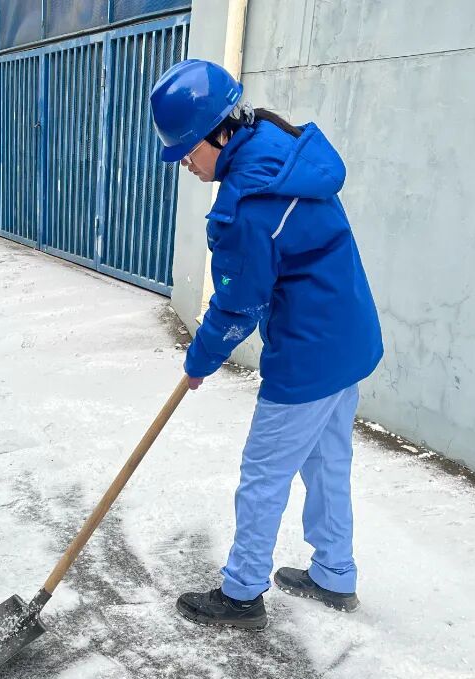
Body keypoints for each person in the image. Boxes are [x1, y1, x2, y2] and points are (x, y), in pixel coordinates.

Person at [149, 59, 384, 630]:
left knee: (264, 474)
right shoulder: (282, 150)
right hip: (349, 338)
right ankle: (335, 573)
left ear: (218, 133)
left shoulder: (248, 206)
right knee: (327, 461)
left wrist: (200, 360)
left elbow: (238, 305)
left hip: (309, 353)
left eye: (187, 151)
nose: (185, 164)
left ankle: (241, 592)